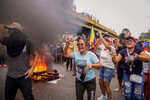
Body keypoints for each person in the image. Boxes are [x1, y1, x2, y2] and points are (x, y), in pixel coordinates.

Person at [0, 22, 39, 100]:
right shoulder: (9, 42)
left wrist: (32, 69)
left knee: (29, 98)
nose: (8, 31)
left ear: (16, 31)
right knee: (8, 98)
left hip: (24, 77)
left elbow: (36, 55)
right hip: (10, 77)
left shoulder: (27, 43)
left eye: (10, 30)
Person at [94, 32, 115, 100]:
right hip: (102, 67)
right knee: (100, 83)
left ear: (112, 43)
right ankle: (103, 95)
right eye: (107, 41)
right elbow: (95, 45)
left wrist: (102, 37)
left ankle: (109, 99)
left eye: (109, 41)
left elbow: (108, 46)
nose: (108, 42)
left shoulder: (112, 48)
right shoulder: (103, 47)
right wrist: (99, 39)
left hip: (109, 68)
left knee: (106, 85)